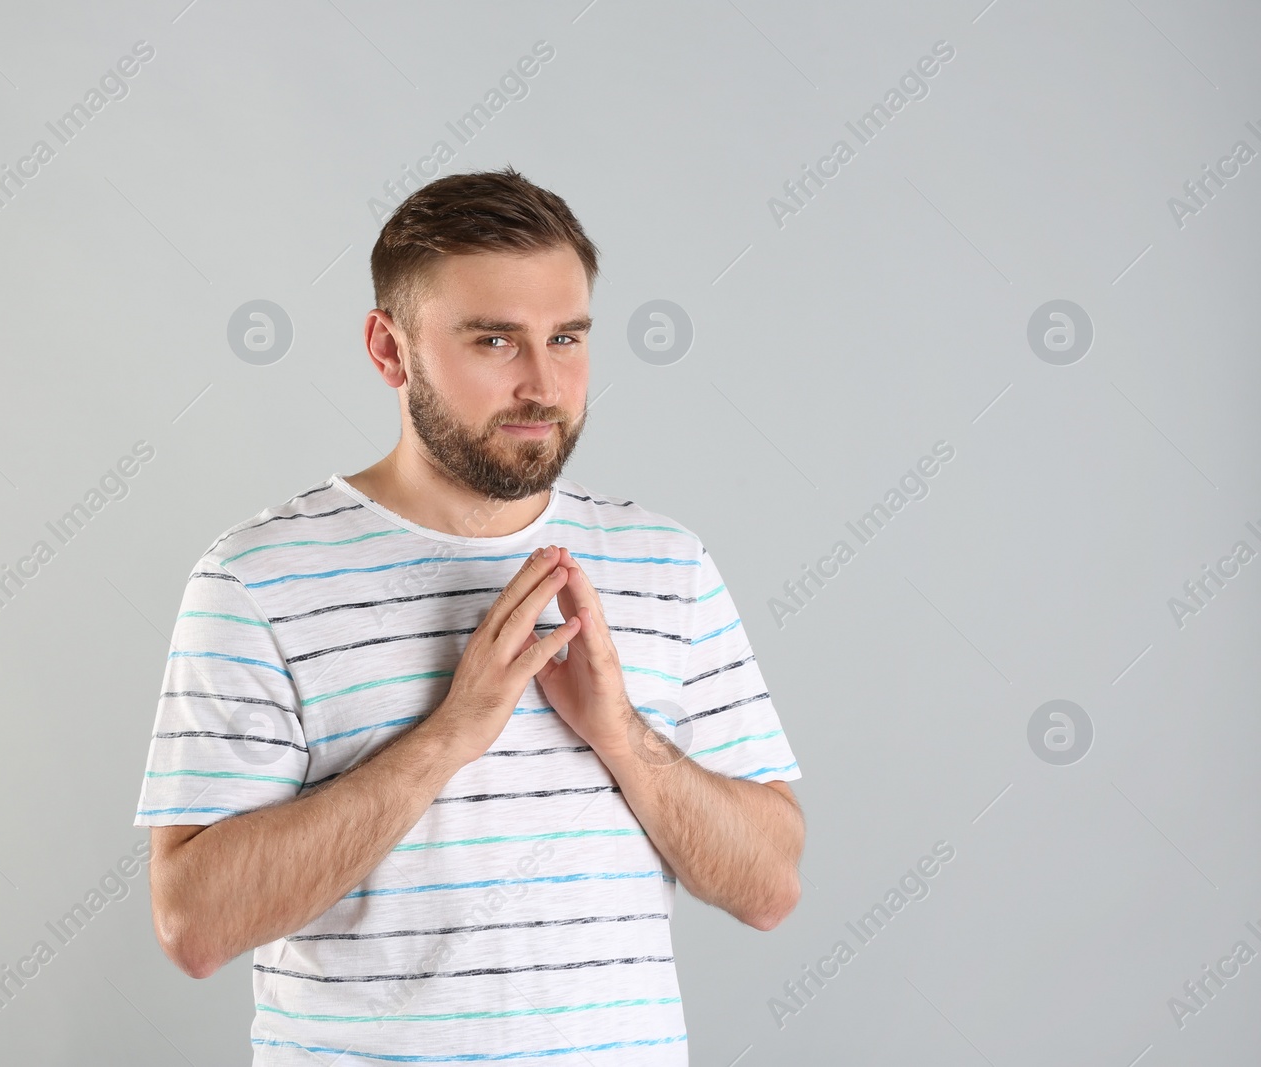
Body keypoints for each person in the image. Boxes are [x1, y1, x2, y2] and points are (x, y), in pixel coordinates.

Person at [133, 166, 806, 1065]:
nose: (542, 382)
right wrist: (448, 736)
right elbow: (196, 924)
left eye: (566, 337)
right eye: (495, 340)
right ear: (389, 349)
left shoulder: (667, 564)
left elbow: (769, 886)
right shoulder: (256, 579)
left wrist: (620, 733)